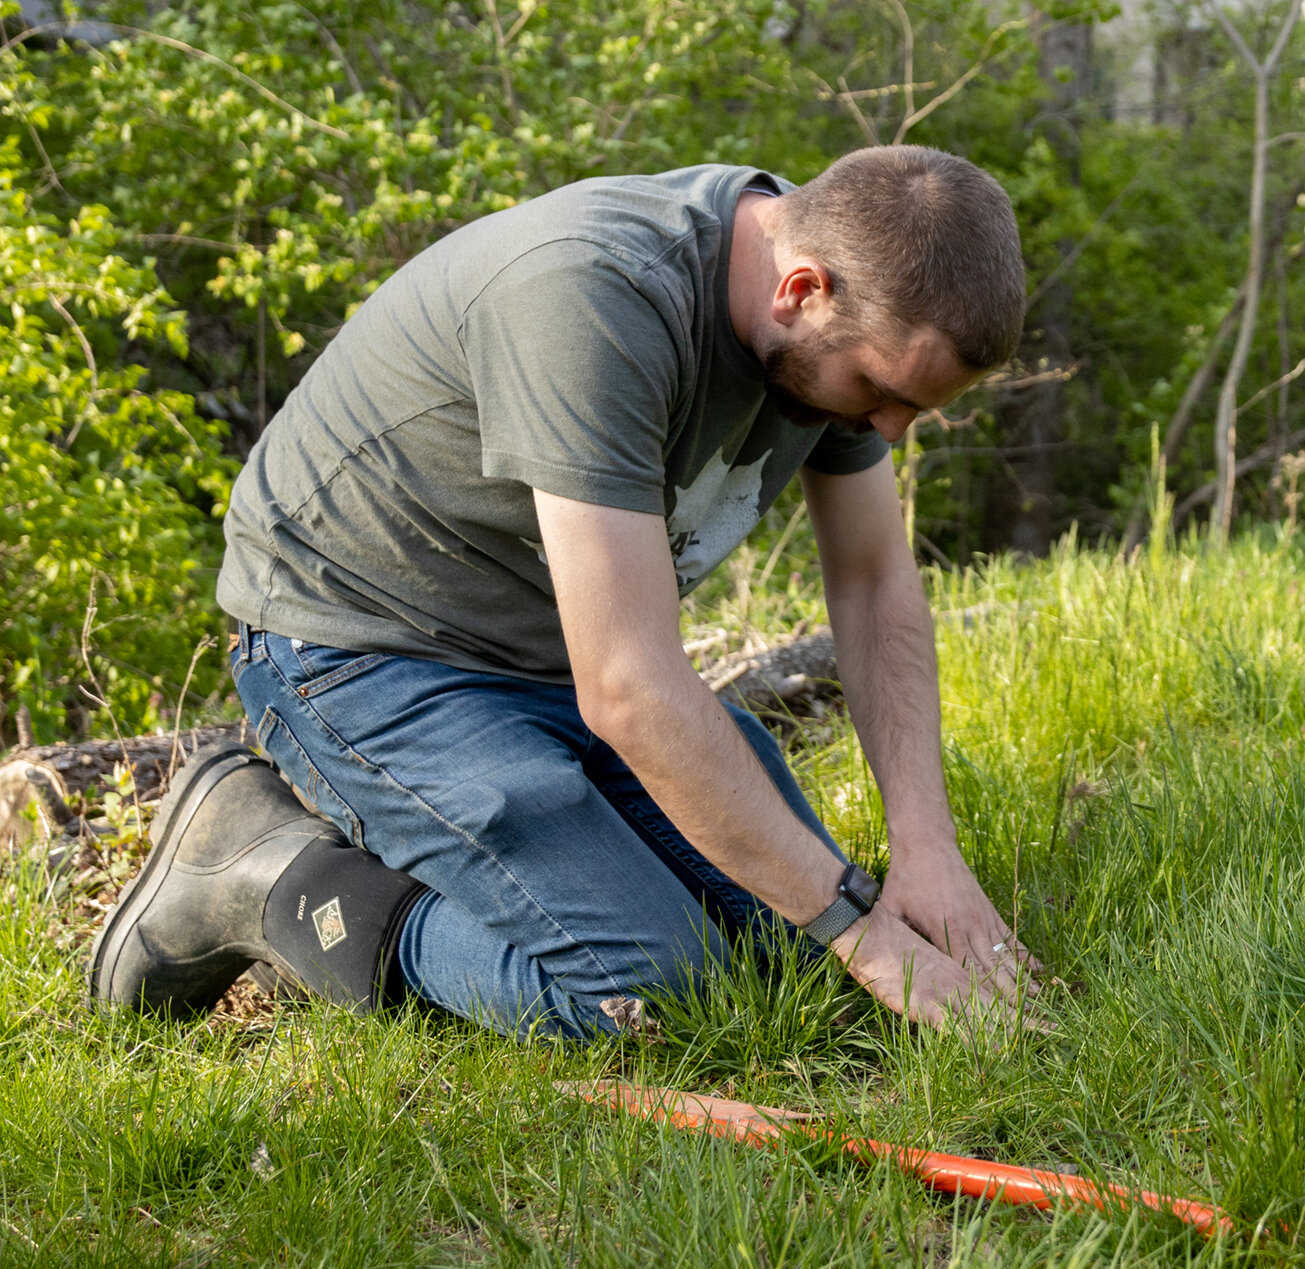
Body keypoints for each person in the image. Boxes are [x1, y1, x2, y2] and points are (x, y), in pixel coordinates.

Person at [89, 145, 1038, 1040]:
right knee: (666, 991)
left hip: (559, 661)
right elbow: (630, 687)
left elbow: (874, 585)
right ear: (800, 291)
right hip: (361, 651)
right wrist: (863, 932)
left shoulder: (845, 289)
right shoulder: (596, 295)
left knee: (791, 957)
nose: (892, 430)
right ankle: (267, 873)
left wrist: (926, 850)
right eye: (883, 391)